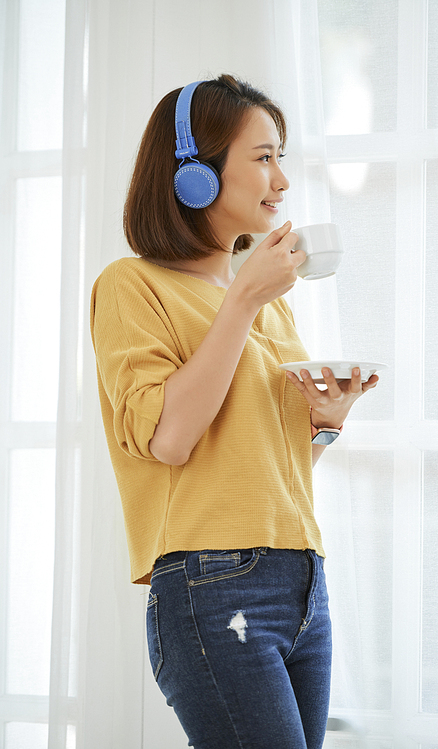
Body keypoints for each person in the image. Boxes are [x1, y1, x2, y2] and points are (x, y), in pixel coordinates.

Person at [90, 74, 378, 749]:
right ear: (194, 173)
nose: (281, 179)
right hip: (214, 584)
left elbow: (258, 464)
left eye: (283, 156)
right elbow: (170, 439)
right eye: (263, 156)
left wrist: (326, 424)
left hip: (302, 574)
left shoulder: (270, 301)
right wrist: (240, 301)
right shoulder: (131, 286)